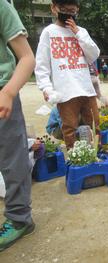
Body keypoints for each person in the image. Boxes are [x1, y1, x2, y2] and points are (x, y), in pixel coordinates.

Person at [35, 0, 100, 150]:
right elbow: (42, 64)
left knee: (95, 125)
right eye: (64, 9)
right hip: (65, 91)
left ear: (77, 10)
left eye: (72, 11)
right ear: (54, 8)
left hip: (86, 88)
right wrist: (46, 87)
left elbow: (94, 55)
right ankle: (75, 156)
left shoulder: (81, 31)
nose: (68, 14)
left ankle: (94, 154)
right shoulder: (49, 32)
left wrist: (78, 34)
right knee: (70, 128)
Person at [0, 0, 36, 251]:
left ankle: (19, 217)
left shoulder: (1, 6)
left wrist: (9, 92)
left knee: (12, 159)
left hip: (2, 95)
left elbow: (27, 57)